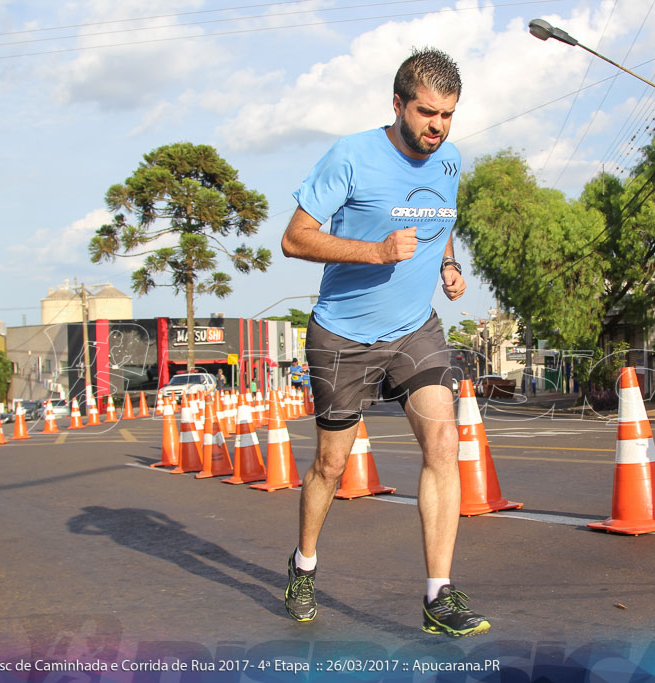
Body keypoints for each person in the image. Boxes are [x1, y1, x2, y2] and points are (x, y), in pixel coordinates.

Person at [280, 48, 488, 637]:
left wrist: (447, 263)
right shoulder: (351, 155)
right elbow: (295, 239)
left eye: (448, 115)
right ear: (397, 104)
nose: (437, 126)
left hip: (413, 330)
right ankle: (303, 565)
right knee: (330, 465)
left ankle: (438, 594)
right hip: (344, 333)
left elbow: (438, 220)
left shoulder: (449, 160)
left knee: (443, 441)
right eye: (426, 112)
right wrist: (374, 251)